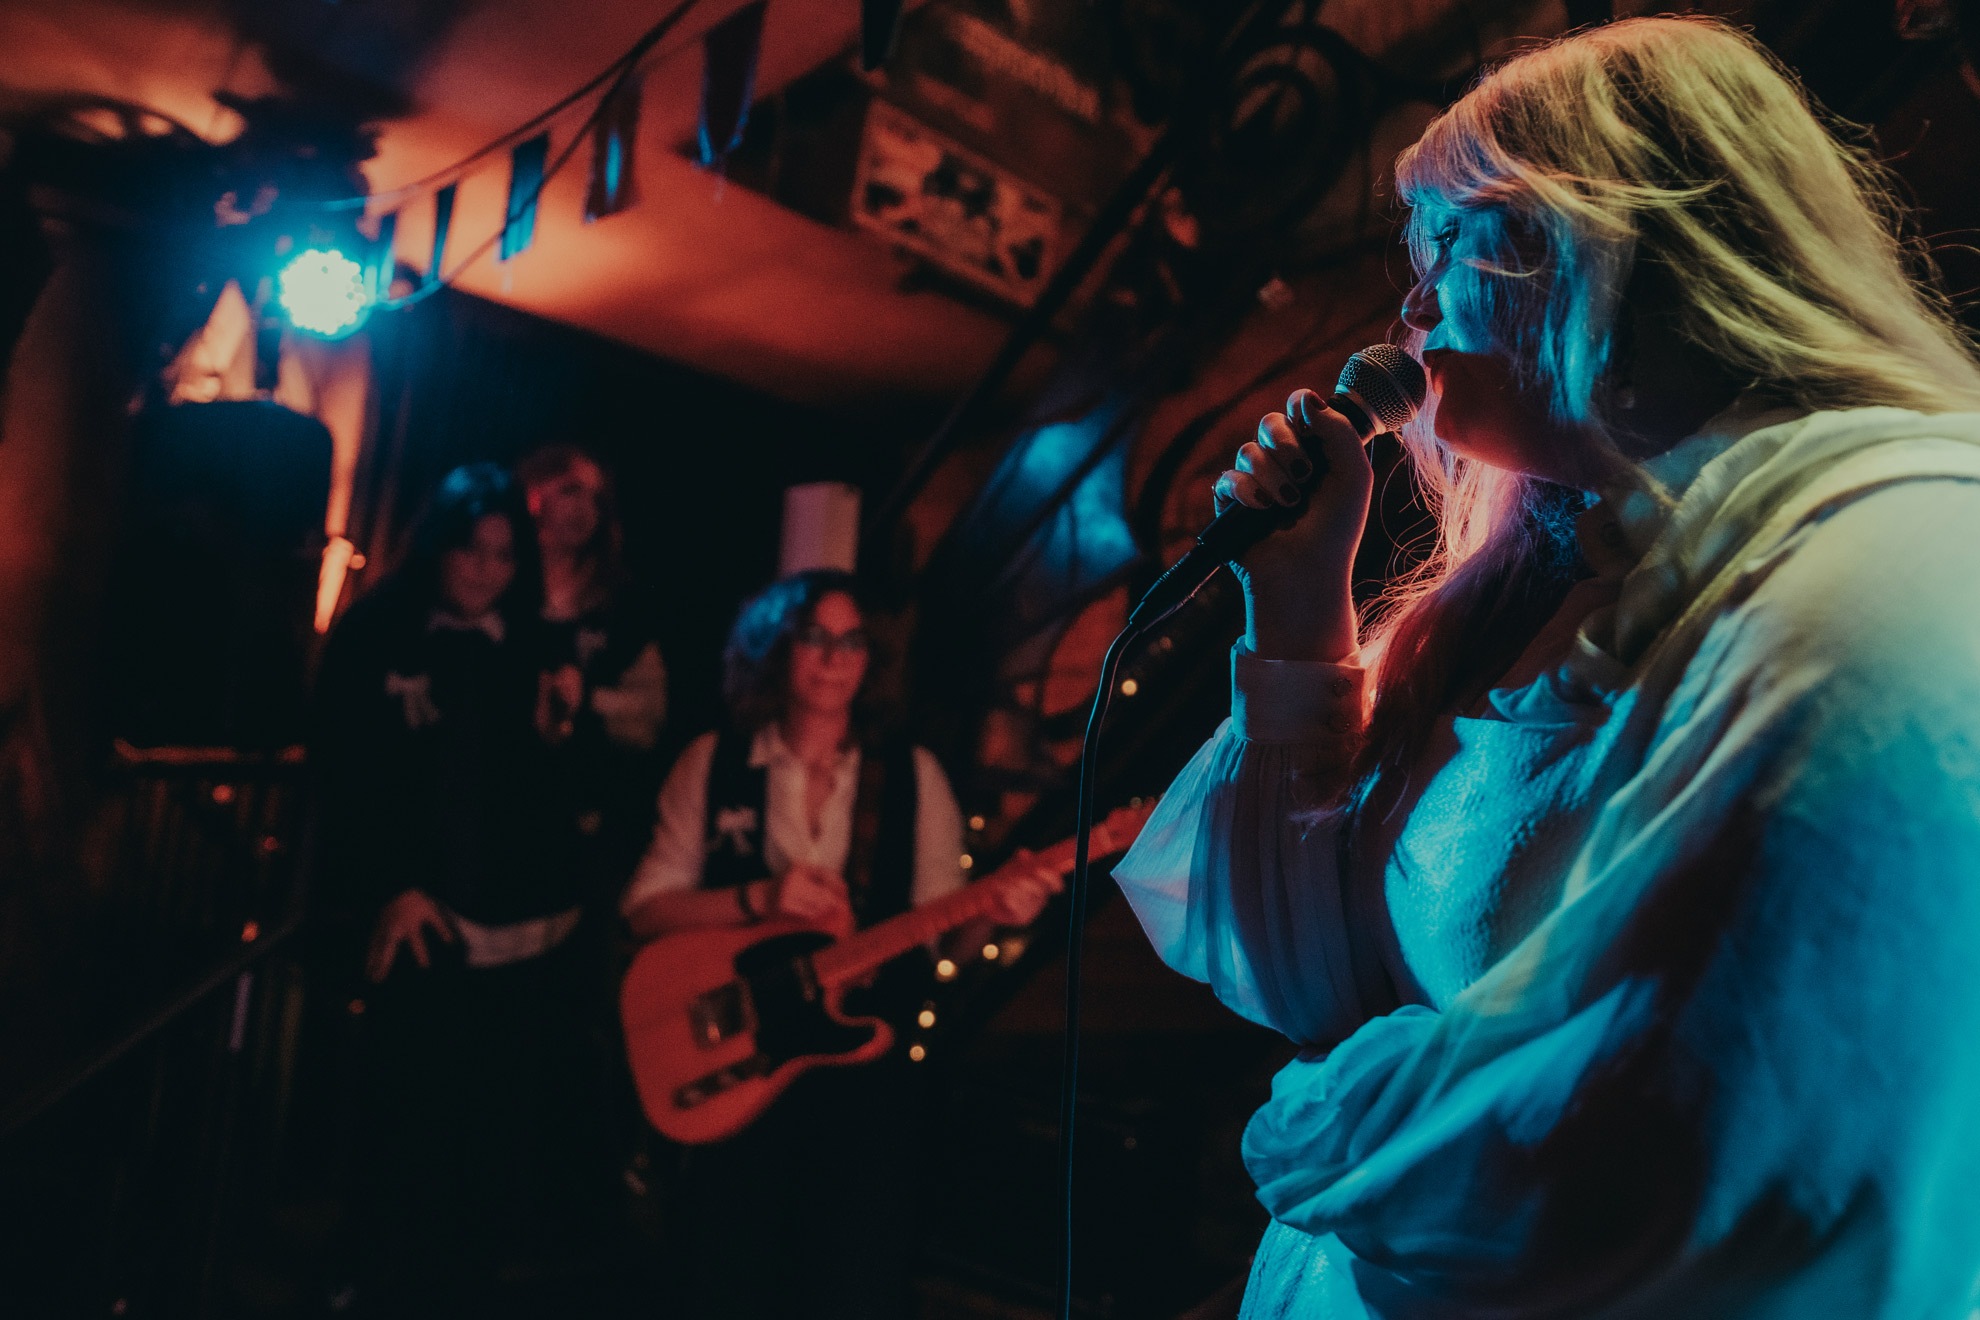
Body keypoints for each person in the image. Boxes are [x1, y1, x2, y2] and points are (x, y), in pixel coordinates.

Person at [1113, 17, 1980, 1320]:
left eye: (1448, 240)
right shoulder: (1549, 582)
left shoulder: (1898, 554)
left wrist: (1323, 1110)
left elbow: (1664, 1135)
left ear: (1604, 241)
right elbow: (1309, 979)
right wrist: (1296, 617)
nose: (1410, 306)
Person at [621, 569, 1059, 1320]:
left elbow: (944, 944)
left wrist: (997, 913)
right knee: (724, 1278)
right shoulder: (713, 762)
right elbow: (644, 911)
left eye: (852, 642)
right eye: (814, 638)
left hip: (863, 1091)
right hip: (740, 1074)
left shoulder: (914, 777)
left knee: (848, 1284)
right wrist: (759, 899)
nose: (833, 659)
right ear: (775, 650)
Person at [313, 463, 602, 1313]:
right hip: (419, 916)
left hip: (526, 927)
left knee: (493, 1124)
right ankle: (368, 1275)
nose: (486, 570)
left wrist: (565, 728)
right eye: (472, 550)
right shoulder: (377, 634)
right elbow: (347, 774)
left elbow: (565, 790)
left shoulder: (535, 646)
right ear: (439, 546)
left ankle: (462, 1285)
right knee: (401, 1110)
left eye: (505, 556)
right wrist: (391, 885)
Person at [516, 443, 669, 899]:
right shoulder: (502, 586)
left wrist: (590, 699)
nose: (585, 509)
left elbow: (650, 715)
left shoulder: (621, 603)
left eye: (596, 498)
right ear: (533, 493)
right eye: (570, 491)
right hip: (499, 802)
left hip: (587, 823)